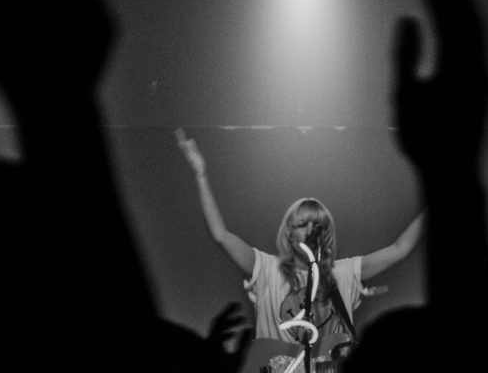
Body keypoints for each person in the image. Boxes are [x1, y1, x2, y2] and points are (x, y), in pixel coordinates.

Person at [175, 129, 425, 346]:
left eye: (317, 225)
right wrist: (201, 174)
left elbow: (399, 248)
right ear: (289, 232)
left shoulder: (343, 273)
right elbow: (220, 235)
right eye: (302, 224)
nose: (309, 230)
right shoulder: (267, 269)